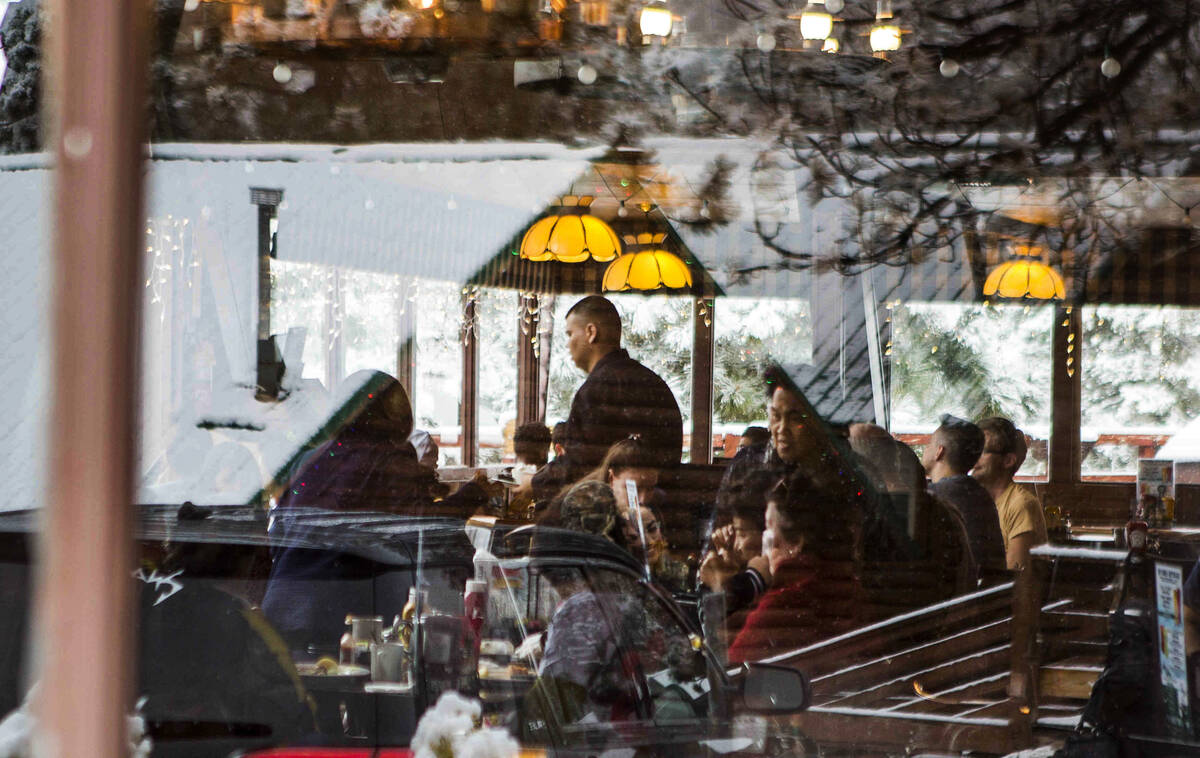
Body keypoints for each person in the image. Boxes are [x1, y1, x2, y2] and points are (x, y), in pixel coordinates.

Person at [530, 296, 683, 503]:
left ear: (591, 333)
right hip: (660, 511)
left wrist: (534, 484)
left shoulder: (598, 389)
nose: (568, 344)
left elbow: (580, 465)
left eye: (570, 334)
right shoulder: (652, 382)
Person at [726, 471, 860, 664]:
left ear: (796, 542)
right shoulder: (847, 589)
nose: (765, 540)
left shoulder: (784, 603)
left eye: (769, 527)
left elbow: (732, 672)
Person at [923, 414, 1006, 583]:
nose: (925, 449)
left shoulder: (933, 497)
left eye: (929, 444)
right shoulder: (980, 495)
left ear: (939, 451)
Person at [972, 417, 1047, 572]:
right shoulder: (974, 499)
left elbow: (1013, 577)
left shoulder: (1021, 504)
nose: (973, 456)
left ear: (1008, 461)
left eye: (982, 451)